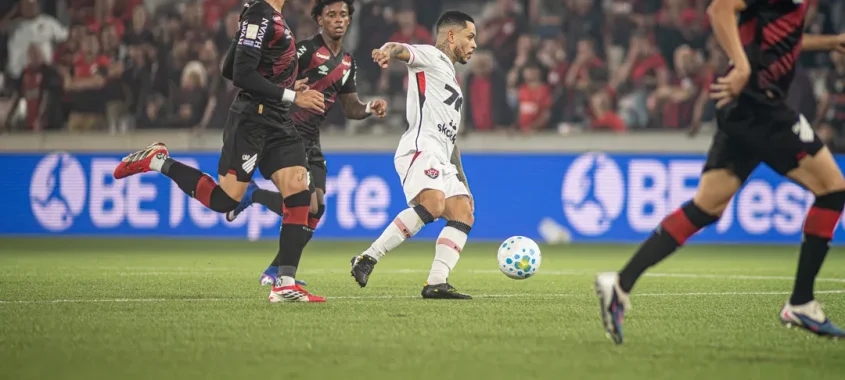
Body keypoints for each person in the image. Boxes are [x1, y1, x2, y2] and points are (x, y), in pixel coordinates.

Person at [596, 0, 845, 344]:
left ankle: (620, 284)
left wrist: (830, 42)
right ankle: (801, 302)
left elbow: (782, 40)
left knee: (706, 207)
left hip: (743, 109)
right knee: (832, 189)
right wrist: (741, 66)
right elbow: (720, 8)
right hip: (760, 105)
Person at [111, 0, 327, 303]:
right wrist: (292, 95)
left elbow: (228, 67)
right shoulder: (261, 14)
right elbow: (240, 74)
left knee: (299, 189)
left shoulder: (272, 16)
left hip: (278, 120)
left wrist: (288, 86)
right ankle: (159, 161)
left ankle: (285, 284)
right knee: (225, 200)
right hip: (252, 121)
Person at [225, 0, 389, 287]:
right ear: (319, 20)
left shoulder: (347, 62)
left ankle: (275, 269)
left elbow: (350, 106)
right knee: (307, 205)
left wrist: (368, 108)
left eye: (343, 15)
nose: (338, 20)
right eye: (331, 15)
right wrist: (291, 91)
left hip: (312, 138)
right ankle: (255, 199)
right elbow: (270, 78)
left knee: (317, 209)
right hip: (287, 132)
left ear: (350, 20)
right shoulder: (303, 51)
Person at [349, 10, 477, 299]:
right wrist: (386, 51)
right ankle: (367, 257)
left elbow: (451, 141)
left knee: (463, 212)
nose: (474, 44)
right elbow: (400, 49)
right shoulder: (431, 57)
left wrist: (463, 181)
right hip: (420, 148)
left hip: (442, 155)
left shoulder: (452, 81)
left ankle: (437, 282)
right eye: (470, 37)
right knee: (433, 204)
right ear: (451, 36)